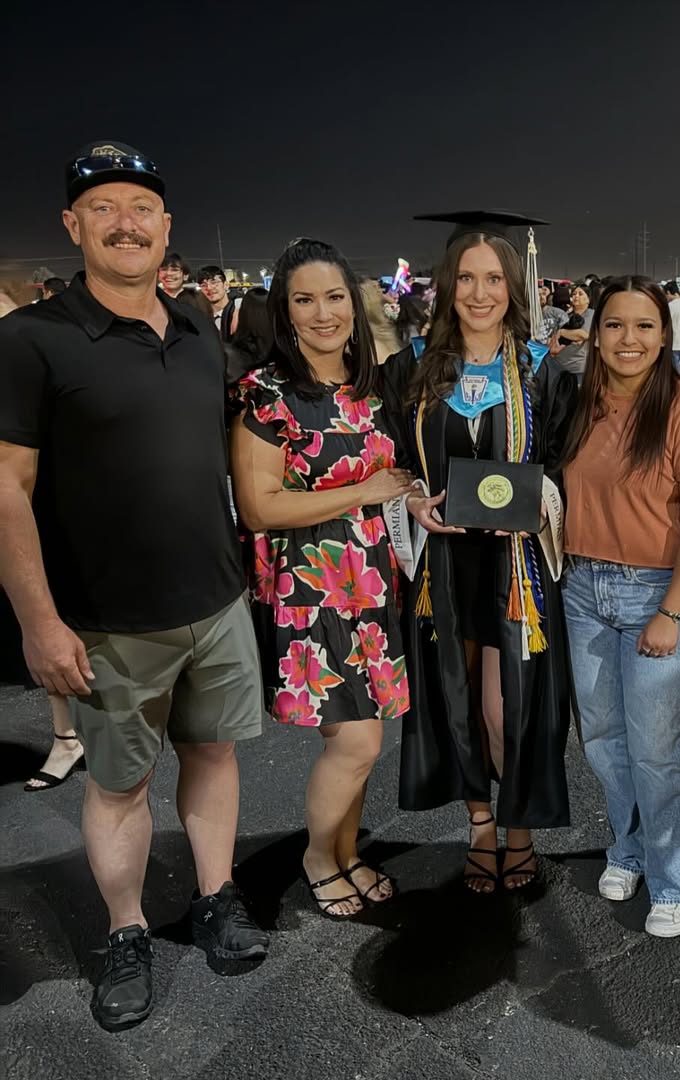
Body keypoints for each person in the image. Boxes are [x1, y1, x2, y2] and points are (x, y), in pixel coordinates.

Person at [0, 141, 268, 1032]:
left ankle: (217, 895)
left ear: (166, 225)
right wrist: (39, 622)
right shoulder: (30, 340)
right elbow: (6, 489)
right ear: (72, 225)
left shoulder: (194, 328)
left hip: (216, 602)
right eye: (103, 207)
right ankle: (125, 931)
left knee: (215, 755)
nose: (126, 223)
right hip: (109, 621)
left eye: (141, 207)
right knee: (119, 786)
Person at [380, 210, 577, 893]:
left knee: (506, 707)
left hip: (514, 567)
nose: (480, 292)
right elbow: (390, 459)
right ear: (446, 285)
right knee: (454, 700)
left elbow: (563, 462)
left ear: (512, 287)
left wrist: (538, 501)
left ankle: (521, 827)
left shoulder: (541, 371)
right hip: (442, 566)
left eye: (494, 279)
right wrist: (411, 499)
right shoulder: (411, 369)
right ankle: (482, 825)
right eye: (466, 278)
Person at [231, 238, 413, 918]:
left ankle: (346, 852)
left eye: (334, 297)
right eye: (304, 300)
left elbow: (396, 480)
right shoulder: (267, 394)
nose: (323, 313)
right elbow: (259, 506)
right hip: (310, 587)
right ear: (285, 312)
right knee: (356, 739)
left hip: (375, 580)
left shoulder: (374, 389)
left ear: (354, 305)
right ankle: (317, 856)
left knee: (363, 734)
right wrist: (362, 492)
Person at [562, 277, 680, 938]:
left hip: (655, 592)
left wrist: (672, 611)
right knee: (603, 743)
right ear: (597, 333)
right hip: (582, 590)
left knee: (658, 751)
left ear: (665, 335)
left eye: (644, 326)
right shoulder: (582, 402)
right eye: (615, 325)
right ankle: (626, 850)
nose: (629, 339)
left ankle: (674, 876)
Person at [549, 282, 593, 383]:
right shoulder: (566, 316)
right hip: (560, 366)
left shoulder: (591, 315)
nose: (576, 296)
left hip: (578, 368)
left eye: (580, 294)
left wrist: (562, 332)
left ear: (588, 300)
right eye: (574, 294)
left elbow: (583, 335)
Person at [198, 264, 240, 341]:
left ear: (226, 285)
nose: (209, 288)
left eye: (214, 282)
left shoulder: (239, 315)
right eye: (203, 285)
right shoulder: (200, 319)